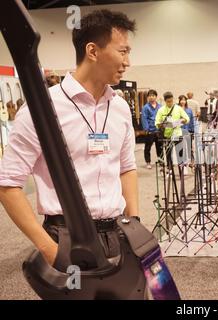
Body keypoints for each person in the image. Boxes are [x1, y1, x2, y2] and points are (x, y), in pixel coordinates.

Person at [0, 10, 139, 268]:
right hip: (66, 237)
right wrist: (48, 249)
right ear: (93, 51)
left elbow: (127, 167)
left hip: (117, 233)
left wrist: (135, 223)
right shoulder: (42, 109)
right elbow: (8, 183)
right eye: (123, 51)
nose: (128, 61)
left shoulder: (119, 107)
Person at [155, 92, 189, 165]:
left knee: (180, 151)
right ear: (165, 101)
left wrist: (182, 120)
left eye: (171, 101)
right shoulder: (161, 110)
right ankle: (169, 168)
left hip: (177, 133)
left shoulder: (178, 108)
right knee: (168, 153)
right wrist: (163, 125)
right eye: (168, 102)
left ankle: (181, 167)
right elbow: (157, 123)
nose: (170, 103)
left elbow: (187, 118)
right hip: (166, 135)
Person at [141, 89, 162, 169]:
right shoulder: (145, 107)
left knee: (159, 147)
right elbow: (144, 118)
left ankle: (160, 161)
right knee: (148, 147)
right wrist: (146, 129)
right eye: (150, 96)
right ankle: (148, 162)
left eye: (153, 96)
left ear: (156, 97)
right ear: (148, 97)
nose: (151, 97)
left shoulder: (160, 106)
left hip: (159, 130)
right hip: (150, 130)